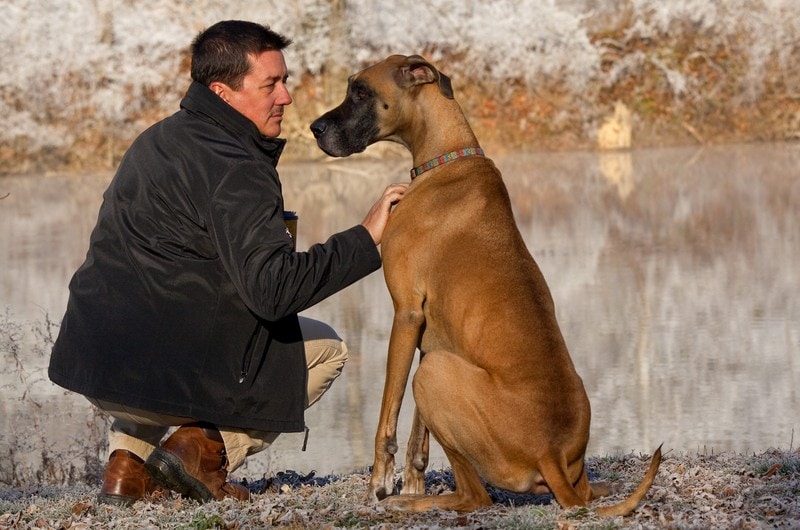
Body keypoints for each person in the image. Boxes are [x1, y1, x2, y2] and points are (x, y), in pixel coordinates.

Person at [48, 20, 407, 506]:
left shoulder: (155, 140)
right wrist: (365, 238)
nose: (287, 97)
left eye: (285, 80)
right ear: (222, 91)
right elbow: (274, 292)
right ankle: (200, 457)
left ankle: (126, 467)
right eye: (271, 85)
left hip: (96, 363)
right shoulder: (238, 166)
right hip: (155, 372)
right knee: (328, 349)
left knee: (157, 315)